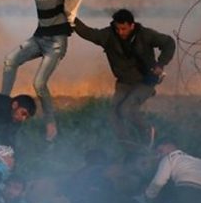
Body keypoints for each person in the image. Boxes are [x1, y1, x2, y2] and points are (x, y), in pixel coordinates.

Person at [1, 0, 97, 141]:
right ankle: (1, 103)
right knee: (9, 61)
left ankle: (50, 123)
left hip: (56, 42)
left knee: (39, 84)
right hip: (39, 38)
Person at [73, 9, 175, 148]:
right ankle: (128, 146)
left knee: (126, 109)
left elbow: (169, 42)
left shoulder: (145, 35)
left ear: (132, 25)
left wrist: (161, 63)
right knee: (114, 115)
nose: (120, 32)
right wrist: (71, 16)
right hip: (123, 83)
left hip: (145, 81)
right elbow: (88, 33)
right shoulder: (109, 35)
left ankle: (148, 132)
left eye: (124, 28)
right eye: (117, 28)